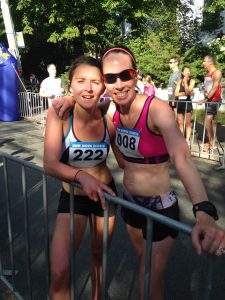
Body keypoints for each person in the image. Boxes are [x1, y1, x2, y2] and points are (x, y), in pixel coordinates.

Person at [53, 47, 225, 300]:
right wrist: (68, 99)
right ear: (105, 84)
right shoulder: (111, 111)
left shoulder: (157, 110)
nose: (119, 83)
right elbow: (85, 102)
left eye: (126, 75)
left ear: (136, 76)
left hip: (160, 206)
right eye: (110, 78)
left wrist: (203, 210)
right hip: (130, 204)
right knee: (145, 266)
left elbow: (182, 157)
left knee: (149, 277)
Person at [44, 55, 122, 300]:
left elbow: (125, 161)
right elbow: (50, 163)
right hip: (73, 198)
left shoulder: (108, 119)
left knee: (99, 256)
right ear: (70, 84)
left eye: (95, 82)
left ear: (103, 86)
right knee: (59, 271)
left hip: (104, 196)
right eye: (81, 81)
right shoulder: (59, 114)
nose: (88, 88)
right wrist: (80, 177)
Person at [198, 54, 222, 152]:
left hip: (214, 100)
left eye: (204, 61)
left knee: (208, 120)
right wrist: (202, 89)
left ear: (210, 62)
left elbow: (215, 87)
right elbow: (205, 87)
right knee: (211, 122)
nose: (203, 63)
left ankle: (211, 143)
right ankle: (212, 142)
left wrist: (206, 99)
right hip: (208, 100)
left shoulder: (217, 72)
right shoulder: (207, 74)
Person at [175, 66, 195, 147]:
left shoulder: (192, 81)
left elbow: (188, 91)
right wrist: (186, 93)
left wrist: (186, 82)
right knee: (180, 123)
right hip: (180, 103)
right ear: (182, 73)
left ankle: (187, 140)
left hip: (188, 104)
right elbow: (176, 93)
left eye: (188, 71)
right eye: (185, 71)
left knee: (187, 123)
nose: (187, 72)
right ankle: (180, 139)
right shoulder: (179, 81)